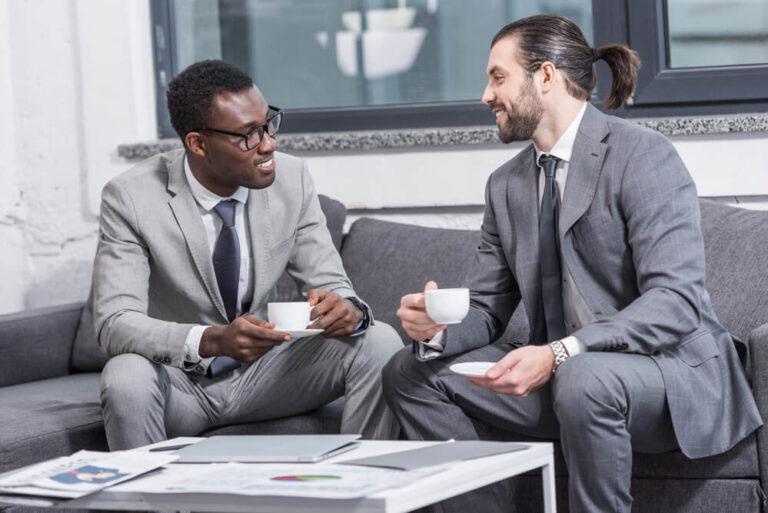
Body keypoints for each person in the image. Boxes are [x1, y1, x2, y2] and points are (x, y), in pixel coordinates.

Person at [382, 14, 761, 513]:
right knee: (409, 373)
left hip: (667, 375)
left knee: (586, 377)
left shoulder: (642, 155)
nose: (485, 95)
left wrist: (561, 352)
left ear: (545, 76)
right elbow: (489, 308)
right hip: (568, 380)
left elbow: (676, 302)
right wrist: (438, 330)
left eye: (498, 77)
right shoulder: (506, 184)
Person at [94, 60, 402, 451]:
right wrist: (213, 340)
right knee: (126, 375)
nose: (269, 143)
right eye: (247, 135)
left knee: (378, 339)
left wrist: (347, 309)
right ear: (198, 143)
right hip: (182, 385)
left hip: (268, 377)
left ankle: (361, 494)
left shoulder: (292, 178)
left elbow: (331, 282)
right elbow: (115, 324)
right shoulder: (131, 197)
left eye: (269, 123)